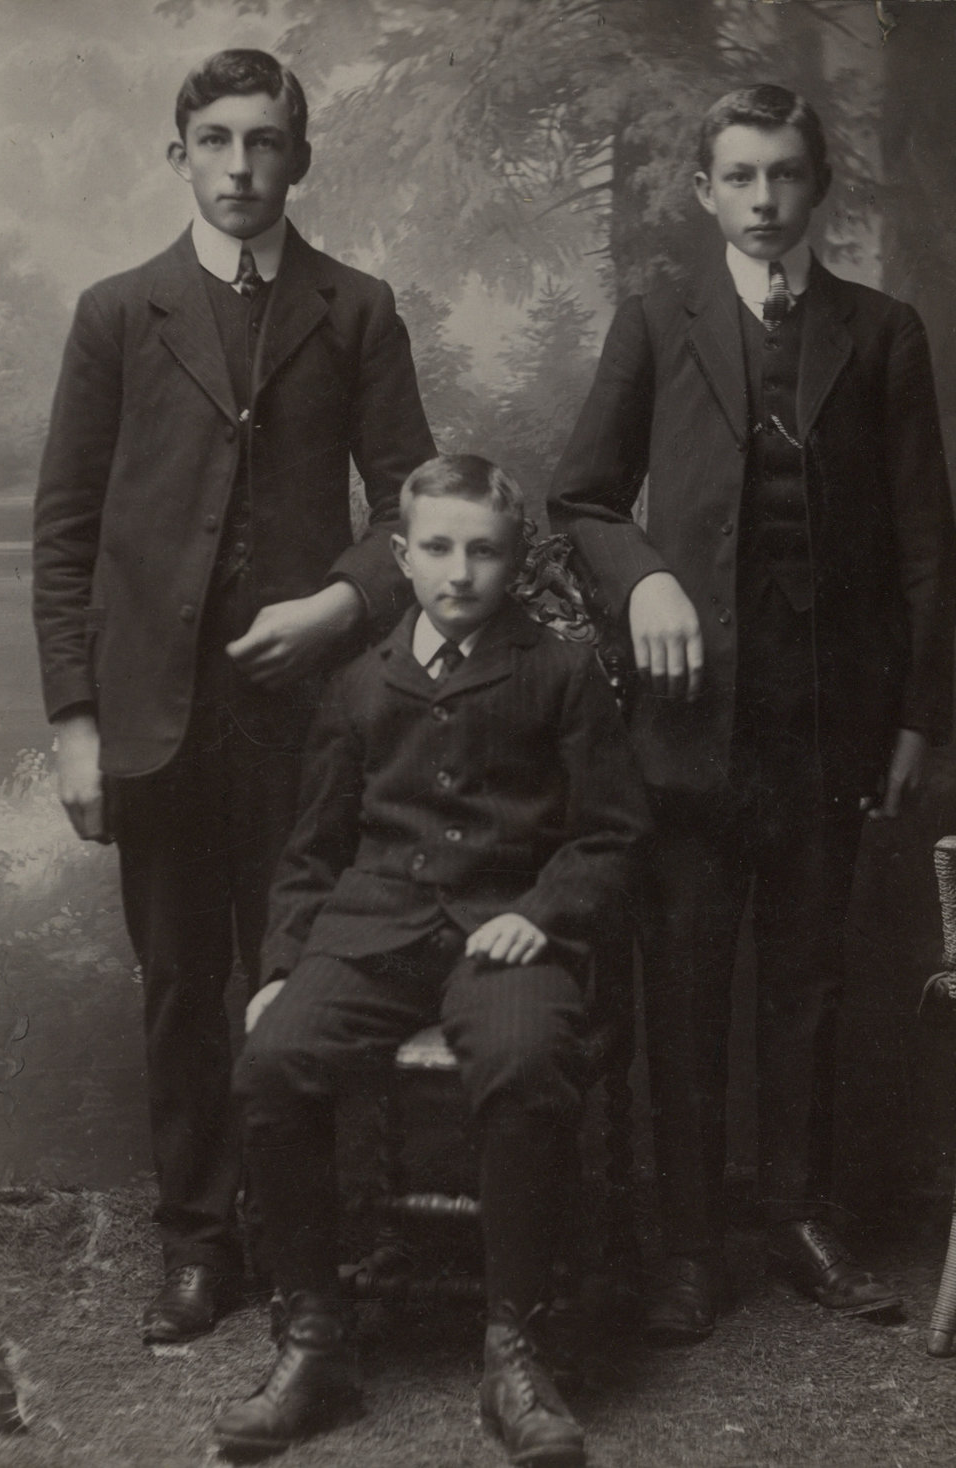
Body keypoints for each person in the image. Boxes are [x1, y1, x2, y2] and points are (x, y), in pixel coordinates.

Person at [32, 48, 435, 1344]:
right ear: (179, 154)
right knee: (178, 984)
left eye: (266, 142)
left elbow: (415, 510)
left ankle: (303, 1240)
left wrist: (340, 607)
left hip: (309, 720)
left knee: (302, 977)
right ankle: (198, 1244)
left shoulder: (356, 309)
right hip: (158, 715)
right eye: (215, 141)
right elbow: (65, 531)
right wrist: (77, 723)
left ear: (300, 157)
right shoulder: (117, 314)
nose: (241, 167)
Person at [549, 84, 956, 1345]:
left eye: (785, 175)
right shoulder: (657, 320)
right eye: (741, 177)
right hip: (684, 728)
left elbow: (925, 549)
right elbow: (581, 500)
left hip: (827, 728)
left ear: (814, 183)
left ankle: (796, 1212)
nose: (766, 201)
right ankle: (682, 1243)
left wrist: (914, 723)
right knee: (683, 982)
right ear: (706, 192)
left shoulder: (880, 334)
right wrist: (649, 577)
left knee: (808, 978)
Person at [215, 454, 650, 1465]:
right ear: (402, 556)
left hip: (507, 926)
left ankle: (514, 1342)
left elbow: (614, 834)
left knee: (528, 1060)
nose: (461, 572)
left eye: (485, 551)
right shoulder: (359, 682)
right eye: (440, 548)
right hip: (371, 927)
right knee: (275, 1061)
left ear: (514, 560)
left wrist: (544, 912)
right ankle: (315, 1336)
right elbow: (315, 848)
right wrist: (280, 966)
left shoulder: (558, 671)